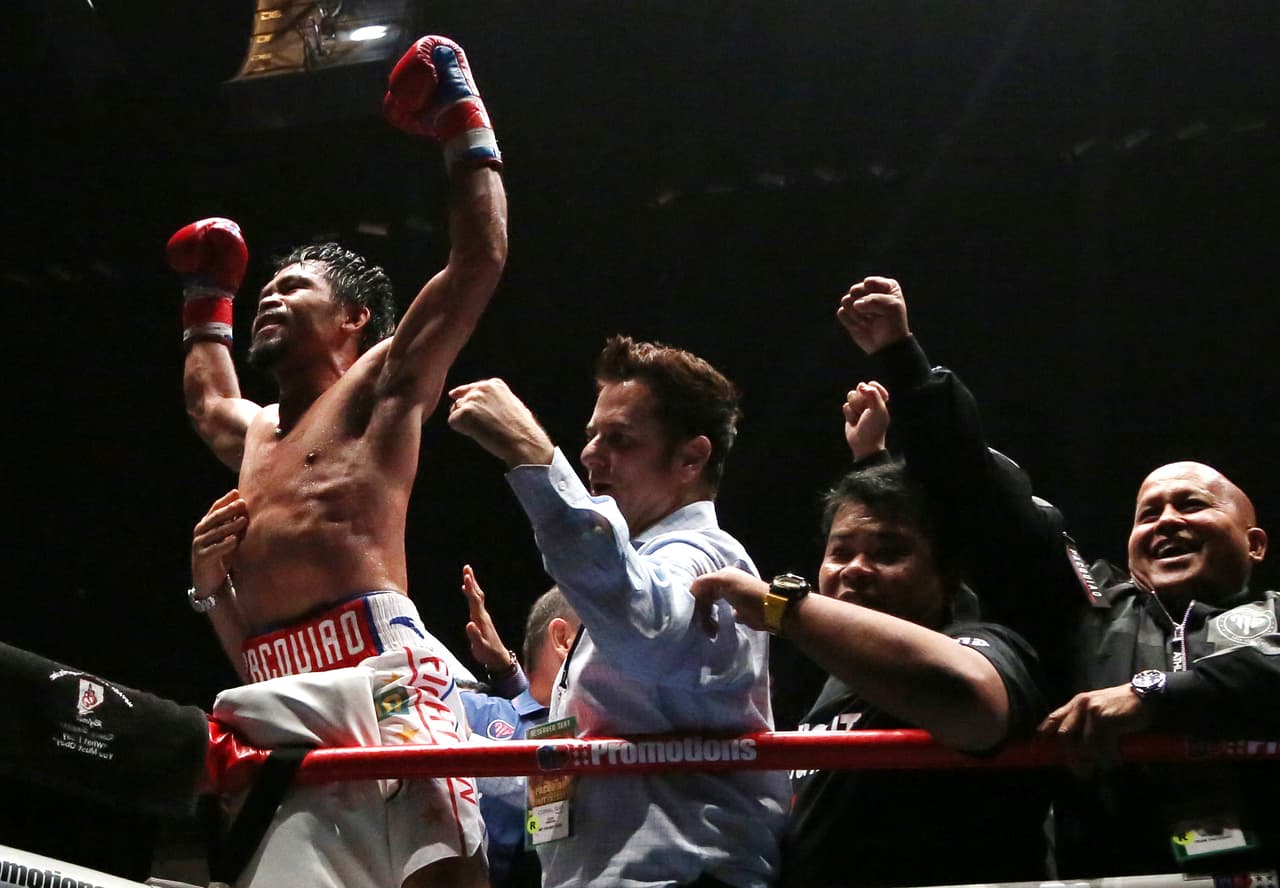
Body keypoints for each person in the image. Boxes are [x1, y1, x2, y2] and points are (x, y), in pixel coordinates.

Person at [176, 34, 507, 888]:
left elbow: (478, 259)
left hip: (379, 668)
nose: (272, 298)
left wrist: (460, 121)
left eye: (295, 288)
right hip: (275, 684)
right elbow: (206, 400)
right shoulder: (254, 431)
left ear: (355, 320)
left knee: (441, 878)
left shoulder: (380, 384)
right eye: (266, 289)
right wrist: (206, 301)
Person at [446, 336, 788, 888]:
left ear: (690, 458)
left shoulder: (708, 559)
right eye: (591, 436)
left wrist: (531, 454)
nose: (589, 454)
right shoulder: (638, 566)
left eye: (620, 439)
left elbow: (646, 626)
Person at [694, 458, 1051, 886]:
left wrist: (782, 609)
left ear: (947, 574)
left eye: (888, 553)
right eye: (840, 552)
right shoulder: (830, 681)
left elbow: (971, 699)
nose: (856, 569)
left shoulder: (988, 642)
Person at [1040, 461, 1280, 875]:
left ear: (1254, 544)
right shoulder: (1089, 616)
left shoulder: (1275, 612)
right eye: (1149, 514)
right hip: (1112, 873)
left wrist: (1154, 693)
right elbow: (1003, 521)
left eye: (1191, 504)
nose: (1167, 520)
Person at [457, 568, 579, 888]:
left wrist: (508, 674)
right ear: (563, 640)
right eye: (602, 637)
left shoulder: (606, 726)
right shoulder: (476, 710)